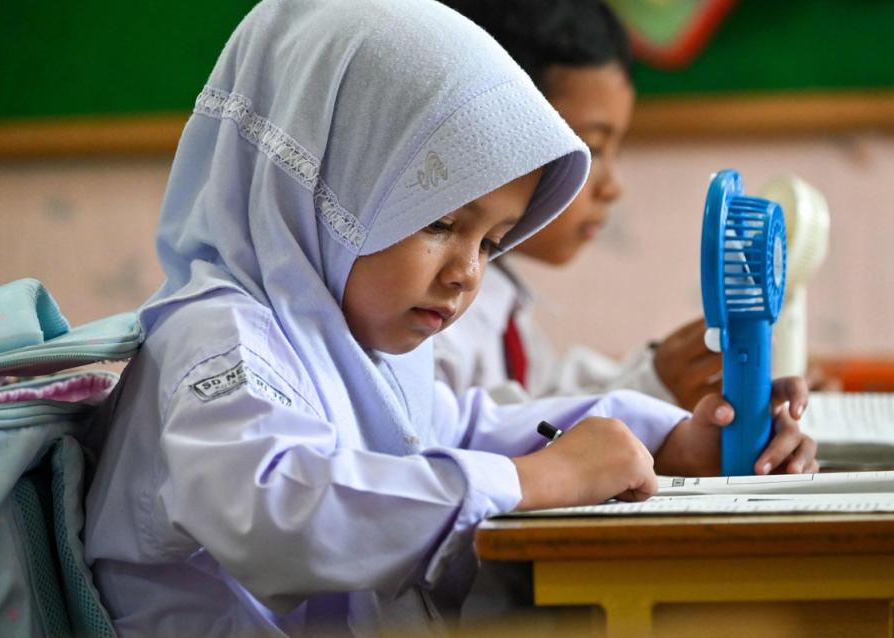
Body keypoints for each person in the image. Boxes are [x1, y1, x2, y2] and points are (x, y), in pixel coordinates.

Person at [83, 1, 818, 636]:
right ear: (319, 186)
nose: (467, 271)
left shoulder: (360, 343)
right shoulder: (218, 339)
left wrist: (667, 441)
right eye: (439, 221)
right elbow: (282, 514)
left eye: (492, 242)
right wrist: (531, 482)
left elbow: (458, 431)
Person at [435, 0, 721, 410]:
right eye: (590, 148)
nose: (613, 187)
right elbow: (483, 441)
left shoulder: (500, 297)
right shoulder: (434, 310)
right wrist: (652, 387)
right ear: (490, 127)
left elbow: (545, 395)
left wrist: (667, 376)